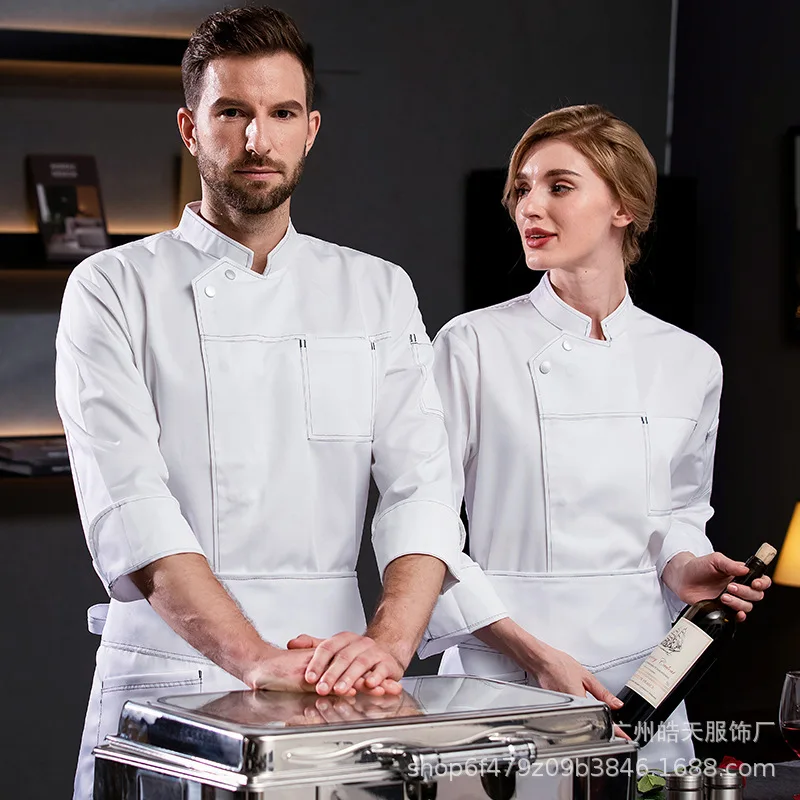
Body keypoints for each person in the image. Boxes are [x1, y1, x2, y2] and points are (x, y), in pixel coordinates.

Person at [56, 7, 464, 798]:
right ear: (189, 126)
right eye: (232, 112)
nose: (256, 140)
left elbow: (424, 488)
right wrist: (253, 659)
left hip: (338, 679)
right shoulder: (111, 289)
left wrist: (388, 644)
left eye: (280, 114)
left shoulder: (376, 289)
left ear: (311, 129)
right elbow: (131, 504)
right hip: (171, 676)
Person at [418, 105, 771, 771]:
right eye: (522, 188)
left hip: (642, 684)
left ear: (625, 207)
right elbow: (421, 530)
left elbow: (678, 514)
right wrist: (530, 650)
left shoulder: (690, 362)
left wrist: (687, 567)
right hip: (503, 681)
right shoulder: (471, 347)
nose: (530, 206)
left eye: (559, 185)